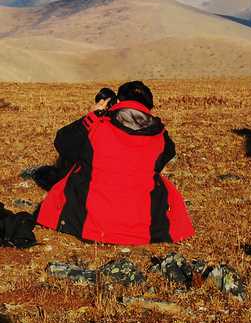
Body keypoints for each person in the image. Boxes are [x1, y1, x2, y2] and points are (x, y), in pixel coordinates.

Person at [37, 81, 194, 245]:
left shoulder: (97, 125)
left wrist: (92, 115)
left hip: (89, 223)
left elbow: (63, 143)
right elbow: (162, 159)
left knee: (75, 165)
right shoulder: (160, 136)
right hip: (142, 228)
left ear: (118, 101)